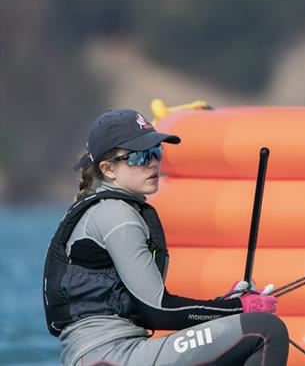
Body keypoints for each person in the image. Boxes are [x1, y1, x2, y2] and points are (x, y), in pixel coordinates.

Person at [43, 109, 289, 366]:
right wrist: (238, 308)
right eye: (139, 156)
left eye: (156, 152)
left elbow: (148, 312)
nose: (152, 163)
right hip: (112, 356)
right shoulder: (117, 215)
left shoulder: (108, 210)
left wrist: (224, 305)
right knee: (265, 330)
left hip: (114, 352)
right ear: (108, 169)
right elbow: (159, 311)